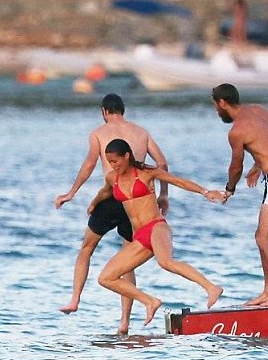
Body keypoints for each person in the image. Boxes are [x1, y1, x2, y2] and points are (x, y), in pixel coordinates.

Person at [54, 93, 169, 334]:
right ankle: (124, 322)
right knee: (127, 262)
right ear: (122, 110)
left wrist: (71, 193)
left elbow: (89, 164)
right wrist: (162, 195)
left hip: (112, 197)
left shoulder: (98, 133)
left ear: (104, 111)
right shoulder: (141, 133)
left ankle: (74, 299)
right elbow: (162, 163)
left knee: (87, 248)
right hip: (134, 202)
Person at [91, 139, 225, 326]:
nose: (113, 165)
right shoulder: (112, 178)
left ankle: (211, 287)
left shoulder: (146, 173)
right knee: (106, 278)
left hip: (156, 227)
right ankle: (150, 301)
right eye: (109, 162)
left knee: (165, 262)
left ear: (127, 156)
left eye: (115, 161)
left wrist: (205, 192)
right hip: (139, 237)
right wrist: (93, 204)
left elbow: (177, 180)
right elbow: (105, 192)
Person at [211, 83, 268, 307]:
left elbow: (236, 166)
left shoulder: (237, 131)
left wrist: (229, 189)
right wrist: (259, 165)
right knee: (263, 237)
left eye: (215, 106)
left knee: (264, 238)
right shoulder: (260, 110)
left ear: (222, 103)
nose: (216, 111)